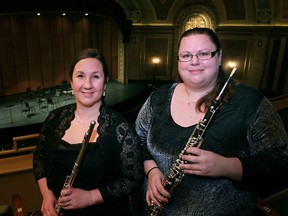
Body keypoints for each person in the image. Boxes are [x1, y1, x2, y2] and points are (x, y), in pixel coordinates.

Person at [135, 27, 288, 215]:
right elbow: (138, 142)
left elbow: (280, 164)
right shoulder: (158, 97)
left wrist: (226, 166)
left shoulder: (249, 102)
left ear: (219, 56)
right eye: (186, 55)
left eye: (203, 53)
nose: (194, 61)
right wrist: (151, 171)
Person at [33, 48, 144, 216]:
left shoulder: (122, 129)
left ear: (105, 82)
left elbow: (133, 179)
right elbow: (39, 158)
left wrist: (90, 197)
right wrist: (46, 193)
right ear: (71, 81)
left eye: (95, 76)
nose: (87, 85)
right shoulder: (54, 119)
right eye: (80, 76)